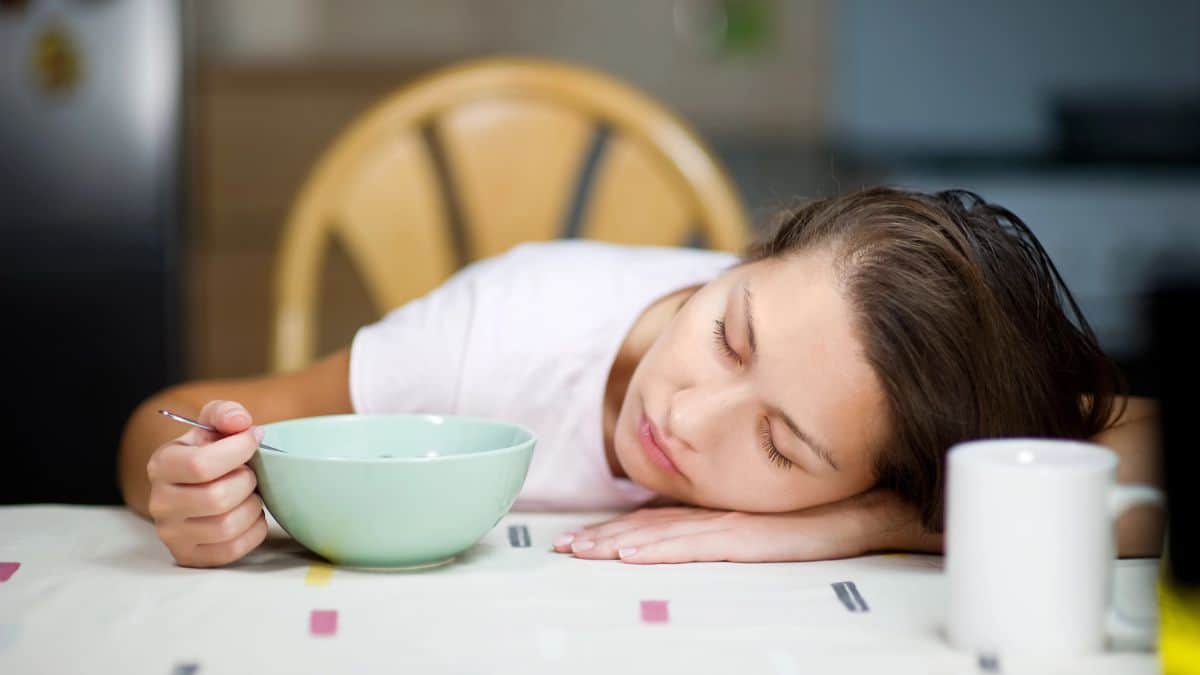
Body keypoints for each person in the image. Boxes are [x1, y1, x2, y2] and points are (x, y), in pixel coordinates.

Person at [117, 187, 1163, 568]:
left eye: (781, 447)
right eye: (730, 333)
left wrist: (862, 525)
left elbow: (1150, 448)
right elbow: (150, 432)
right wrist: (194, 488)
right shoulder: (499, 335)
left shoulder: (880, 446)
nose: (688, 413)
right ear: (747, 258)